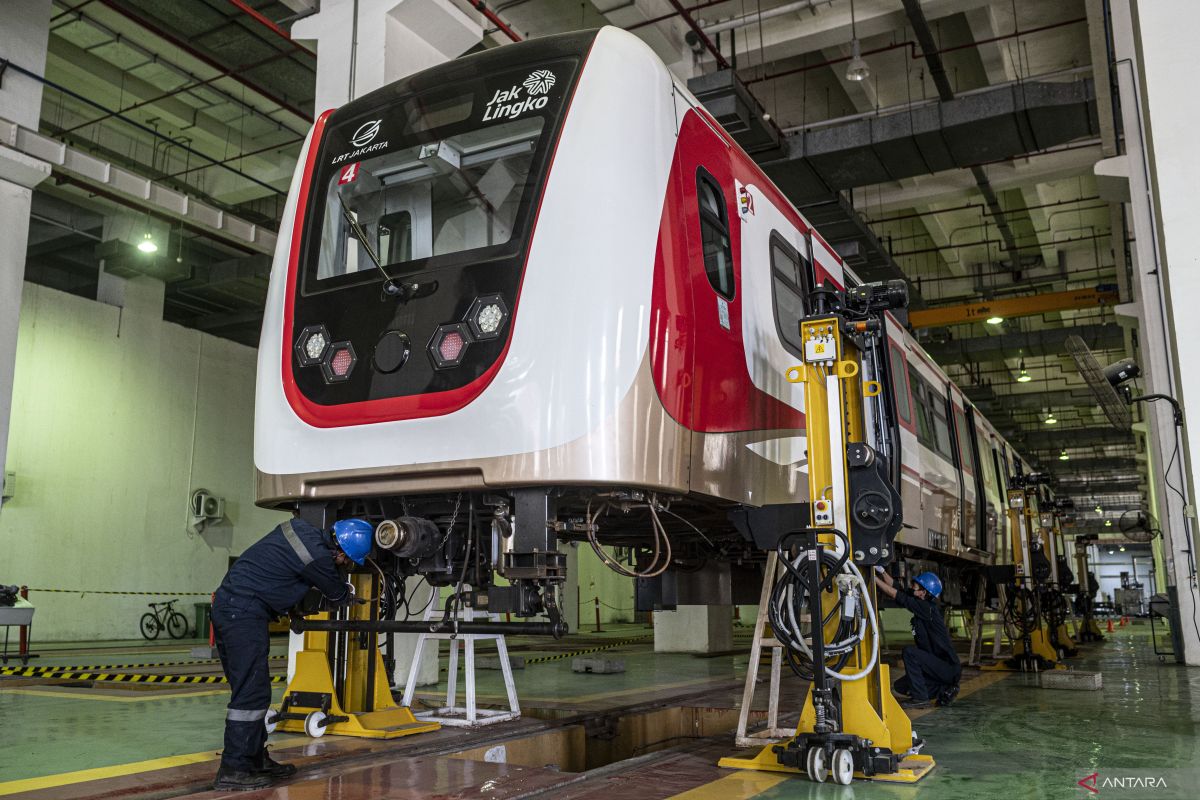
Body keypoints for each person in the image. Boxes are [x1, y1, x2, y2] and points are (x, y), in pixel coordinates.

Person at [210, 516, 373, 791]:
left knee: (253, 689)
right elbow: (336, 593)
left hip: (235, 606)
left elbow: (279, 575)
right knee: (251, 691)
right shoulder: (319, 559)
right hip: (242, 612)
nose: (343, 565)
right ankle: (235, 768)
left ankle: (254, 759)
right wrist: (346, 593)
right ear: (342, 552)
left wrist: (294, 604)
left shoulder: (300, 530)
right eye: (346, 562)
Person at [873, 567, 962, 708]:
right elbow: (898, 588)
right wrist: (882, 571)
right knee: (901, 686)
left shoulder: (927, 608)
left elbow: (896, 595)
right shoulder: (921, 601)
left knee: (910, 652)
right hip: (936, 666)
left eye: (916, 586)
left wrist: (873, 579)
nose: (912, 587)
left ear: (923, 592)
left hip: (947, 667)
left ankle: (921, 699)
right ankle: (944, 690)